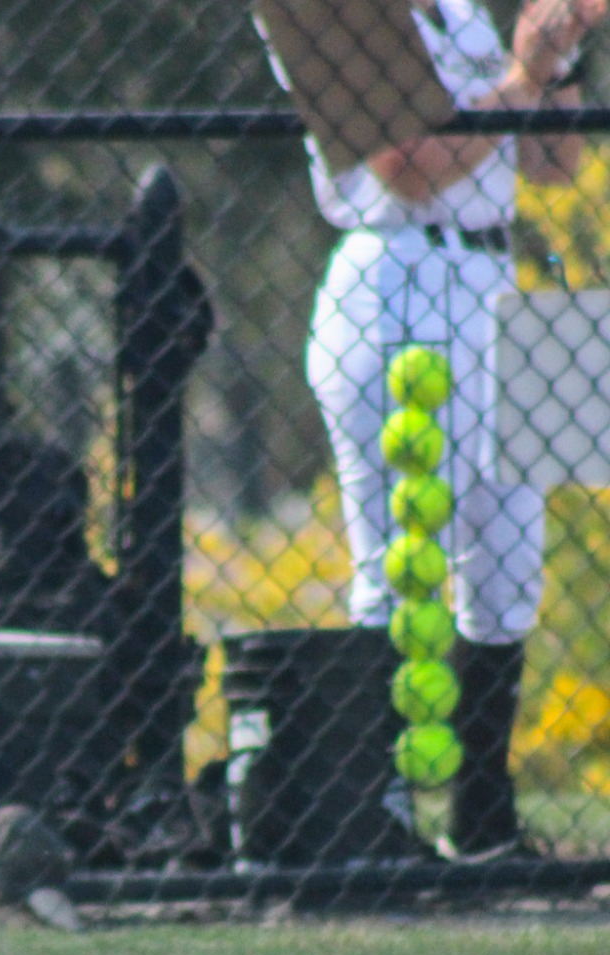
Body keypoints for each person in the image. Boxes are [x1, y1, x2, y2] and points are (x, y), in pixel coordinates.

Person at [267, 0, 604, 858]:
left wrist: (554, 61)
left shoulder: (457, 6)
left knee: (508, 567)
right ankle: (373, 815)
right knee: (399, 562)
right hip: (396, 276)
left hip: (499, 275)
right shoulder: (323, 12)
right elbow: (410, 168)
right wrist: (521, 76)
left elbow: (554, 164)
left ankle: (483, 818)